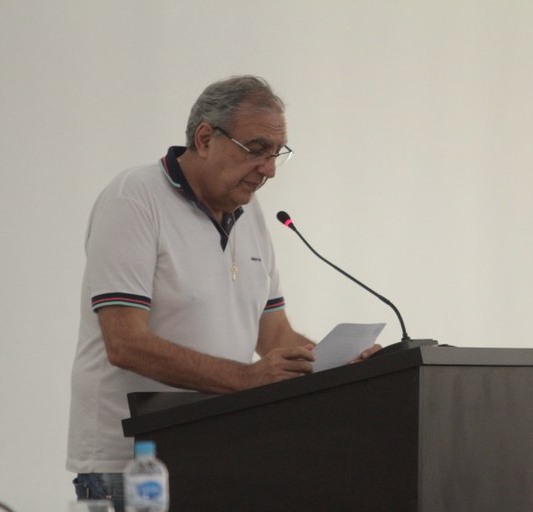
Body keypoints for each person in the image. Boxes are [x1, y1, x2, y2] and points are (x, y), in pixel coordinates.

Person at [66, 76, 378, 511]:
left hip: (220, 451)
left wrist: (342, 365)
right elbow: (125, 343)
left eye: (276, 153)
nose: (269, 169)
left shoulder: (249, 212)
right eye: (256, 149)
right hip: (129, 466)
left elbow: (273, 337)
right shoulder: (134, 199)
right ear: (205, 138)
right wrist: (247, 379)